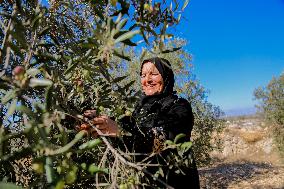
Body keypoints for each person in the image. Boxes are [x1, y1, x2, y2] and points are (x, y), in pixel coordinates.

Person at [81, 57, 200, 189]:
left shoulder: (179, 107)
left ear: (166, 77)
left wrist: (120, 130)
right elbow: (122, 124)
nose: (147, 80)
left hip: (175, 183)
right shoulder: (139, 110)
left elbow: (163, 140)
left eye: (154, 74)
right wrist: (96, 119)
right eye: (143, 75)